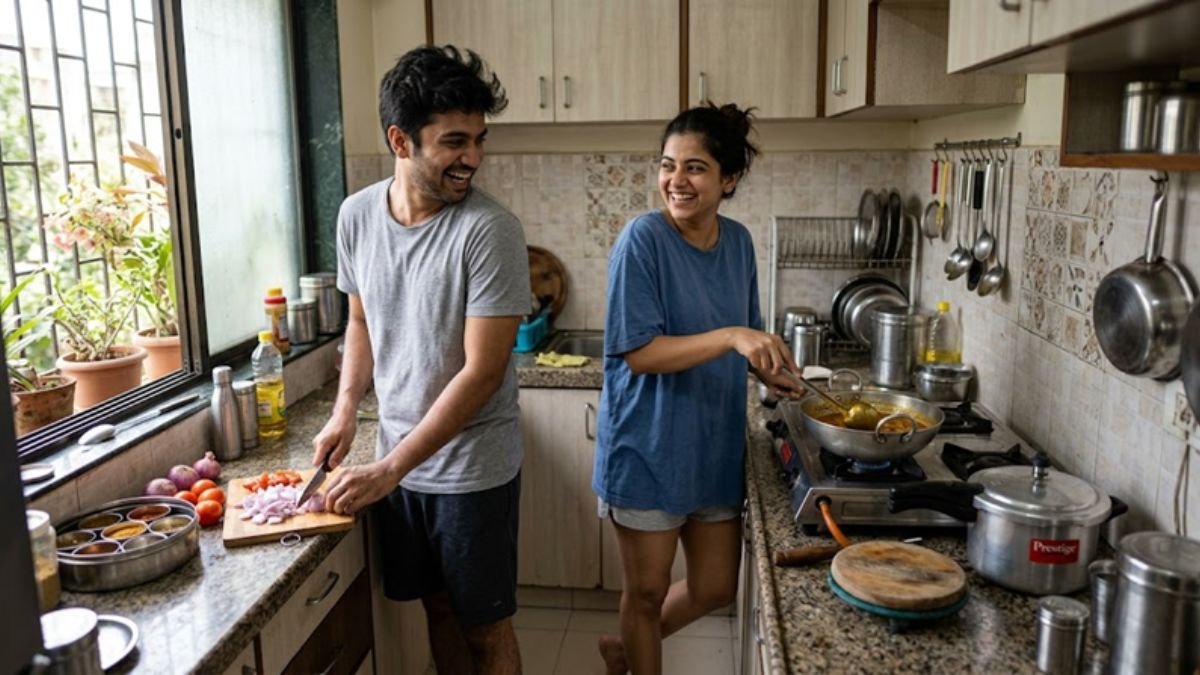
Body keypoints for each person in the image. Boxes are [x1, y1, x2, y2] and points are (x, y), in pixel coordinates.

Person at [313, 45, 530, 675]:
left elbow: (483, 373)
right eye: (454, 142)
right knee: (437, 609)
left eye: (479, 140)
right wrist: (346, 410)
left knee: (486, 628)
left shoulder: (489, 230)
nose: (473, 159)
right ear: (400, 140)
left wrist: (389, 469)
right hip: (396, 457)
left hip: (470, 468)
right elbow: (361, 320)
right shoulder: (356, 215)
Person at [592, 103, 800, 675]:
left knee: (713, 587)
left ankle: (624, 648)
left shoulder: (737, 242)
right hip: (648, 446)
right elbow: (639, 352)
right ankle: (636, 654)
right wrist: (733, 336)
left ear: (728, 179)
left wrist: (772, 370)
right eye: (667, 165)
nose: (675, 181)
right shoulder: (643, 240)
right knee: (648, 592)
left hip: (712, 444)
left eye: (695, 168)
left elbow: (745, 335)